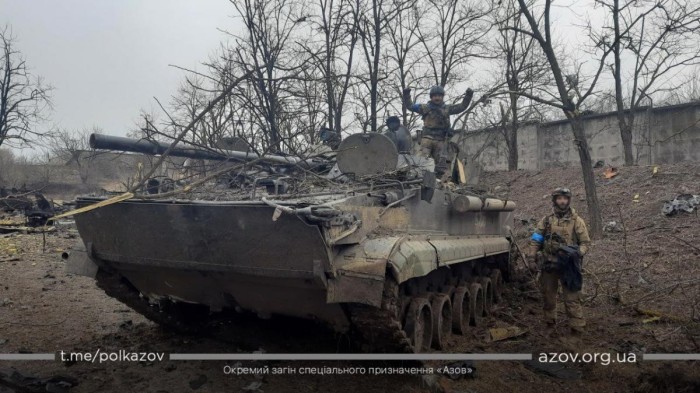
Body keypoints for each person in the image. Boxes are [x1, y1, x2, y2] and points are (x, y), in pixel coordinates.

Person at [528, 187, 591, 337]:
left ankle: (577, 329)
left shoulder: (577, 220)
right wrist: (531, 257)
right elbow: (536, 239)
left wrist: (576, 254)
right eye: (559, 198)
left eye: (565, 198)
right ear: (555, 200)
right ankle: (550, 324)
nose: (562, 201)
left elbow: (585, 243)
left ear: (568, 200)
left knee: (572, 298)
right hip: (550, 264)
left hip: (569, 266)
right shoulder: (547, 220)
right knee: (548, 296)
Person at [402, 85, 473, 175]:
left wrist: (468, 96)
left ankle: (441, 184)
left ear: (442, 97)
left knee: (441, 166)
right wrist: (406, 94)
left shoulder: (447, 109)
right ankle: (418, 181)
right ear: (431, 97)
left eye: (439, 96)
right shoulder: (425, 108)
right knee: (421, 162)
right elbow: (410, 106)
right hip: (427, 139)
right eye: (435, 96)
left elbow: (462, 107)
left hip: (441, 141)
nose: (437, 98)